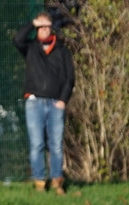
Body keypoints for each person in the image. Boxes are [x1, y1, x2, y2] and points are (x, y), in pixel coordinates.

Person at [13, 11, 75, 195]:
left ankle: (57, 181)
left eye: (46, 26)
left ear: (52, 28)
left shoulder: (62, 51)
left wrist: (63, 100)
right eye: (40, 27)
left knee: (56, 145)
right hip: (34, 103)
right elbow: (17, 39)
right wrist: (32, 24)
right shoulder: (31, 47)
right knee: (37, 144)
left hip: (56, 103)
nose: (44, 30)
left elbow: (70, 78)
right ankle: (39, 182)